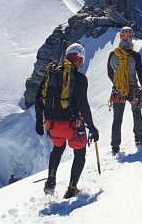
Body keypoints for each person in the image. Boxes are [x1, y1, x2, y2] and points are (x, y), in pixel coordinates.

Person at [35, 42, 99, 198]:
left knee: (57, 148)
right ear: (79, 60)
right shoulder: (80, 78)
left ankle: (51, 180)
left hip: (51, 124)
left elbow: (39, 99)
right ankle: (72, 188)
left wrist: (39, 121)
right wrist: (92, 127)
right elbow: (83, 105)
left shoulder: (51, 73)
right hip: (71, 125)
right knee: (79, 152)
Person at [107, 27, 142, 154]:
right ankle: (138, 138)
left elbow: (110, 73)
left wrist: (119, 84)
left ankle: (115, 146)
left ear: (120, 38)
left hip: (118, 91)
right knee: (136, 113)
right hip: (133, 90)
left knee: (117, 118)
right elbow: (141, 75)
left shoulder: (113, 54)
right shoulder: (135, 55)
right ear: (131, 38)